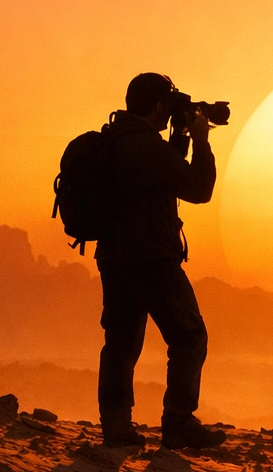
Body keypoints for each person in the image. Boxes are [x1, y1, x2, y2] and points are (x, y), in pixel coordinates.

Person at [95, 72, 227, 450]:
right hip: (150, 254)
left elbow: (157, 177)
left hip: (115, 254)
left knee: (121, 340)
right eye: (167, 106)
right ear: (157, 106)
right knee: (189, 335)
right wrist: (201, 142)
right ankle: (179, 423)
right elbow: (198, 188)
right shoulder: (142, 145)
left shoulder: (120, 138)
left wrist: (178, 141)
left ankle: (116, 426)